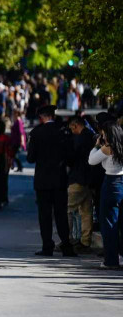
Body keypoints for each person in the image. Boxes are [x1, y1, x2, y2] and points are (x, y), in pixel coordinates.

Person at [26, 105, 77, 257]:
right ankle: (66, 246)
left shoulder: (36, 132)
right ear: (53, 115)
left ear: (41, 117)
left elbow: (30, 158)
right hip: (60, 179)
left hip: (42, 180)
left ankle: (47, 246)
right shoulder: (63, 131)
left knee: (45, 215)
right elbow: (71, 157)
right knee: (61, 213)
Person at [88, 122, 123, 269]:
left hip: (111, 183)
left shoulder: (108, 148)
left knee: (108, 223)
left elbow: (91, 160)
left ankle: (111, 260)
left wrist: (96, 145)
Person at [67, 116, 96, 253]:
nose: (71, 131)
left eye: (72, 128)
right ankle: (85, 241)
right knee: (86, 211)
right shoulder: (91, 136)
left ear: (75, 125)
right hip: (89, 179)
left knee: (67, 209)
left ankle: (66, 239)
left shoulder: (79, 139)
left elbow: (73, 157)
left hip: (78, 178)